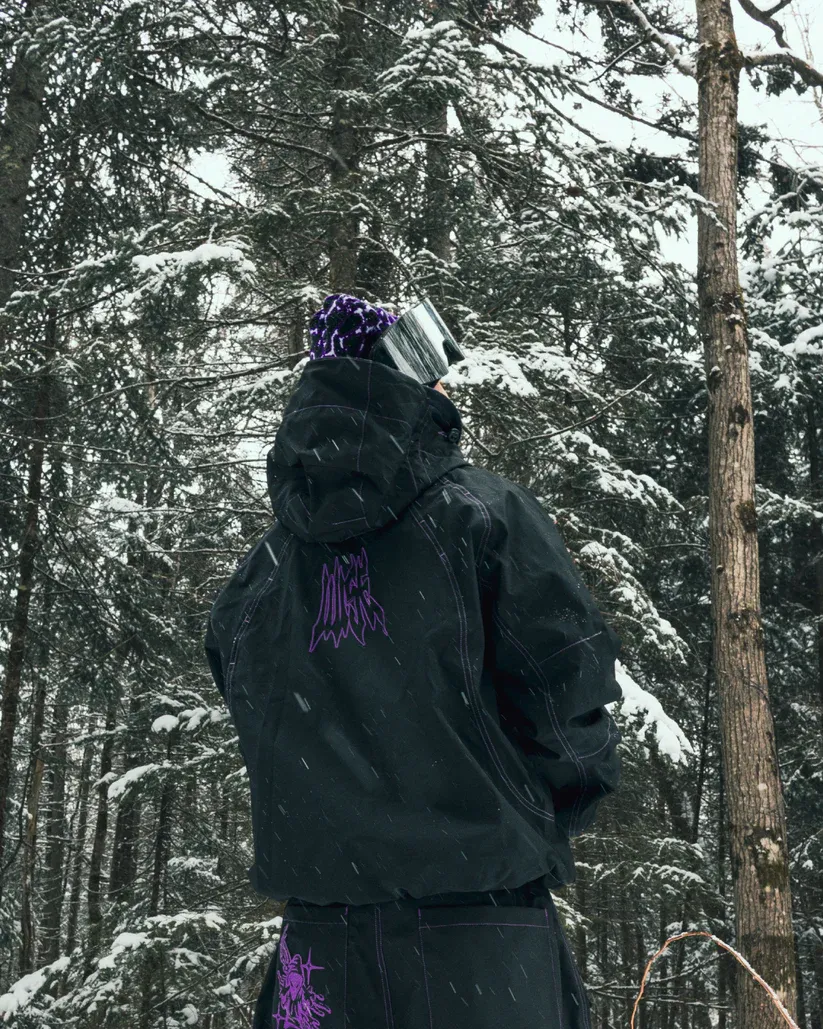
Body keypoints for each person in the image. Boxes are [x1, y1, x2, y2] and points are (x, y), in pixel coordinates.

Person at [204, 293, 623, 1029]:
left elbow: (247, 699)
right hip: (480, 933)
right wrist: (530, 814)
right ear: (404, 382)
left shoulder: (264, 569)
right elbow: (566, 690)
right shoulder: (482, 516)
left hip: (320, 941)